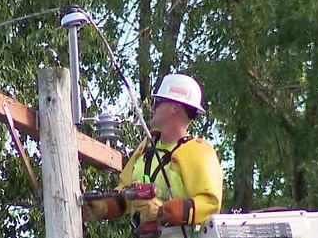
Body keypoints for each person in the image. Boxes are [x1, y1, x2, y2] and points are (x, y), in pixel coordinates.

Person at [84, 73, 223, 227]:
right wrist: (105, 207)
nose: (152, 106)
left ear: (175, 107)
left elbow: (209, 205)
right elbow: (126, 194)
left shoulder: (198, 152)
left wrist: (164, 211)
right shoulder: (145, 149)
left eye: (158, 102)